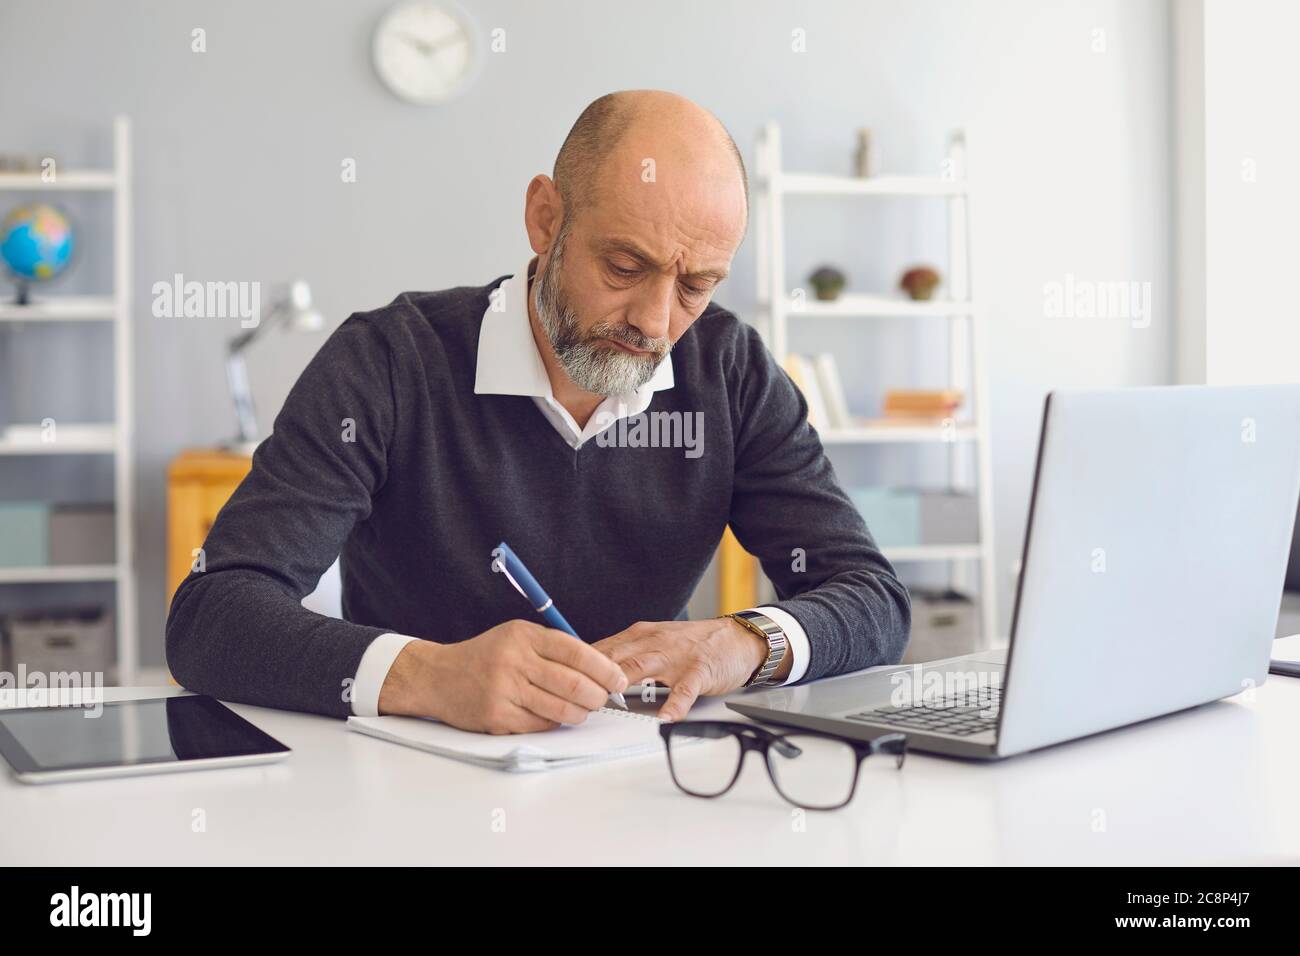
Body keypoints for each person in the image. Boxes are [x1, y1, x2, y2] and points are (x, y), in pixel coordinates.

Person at [166, 89, 910, 732]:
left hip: (646, 783)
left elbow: (871, 596)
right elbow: (213, 616)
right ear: (545, 219)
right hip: (415, 791)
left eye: (697, 285)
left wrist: (743, 642)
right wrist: (428, 677)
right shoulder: (389, 362)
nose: (654, 322)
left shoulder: (730, 369)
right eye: (624, 267)